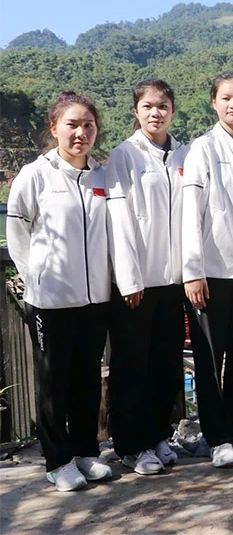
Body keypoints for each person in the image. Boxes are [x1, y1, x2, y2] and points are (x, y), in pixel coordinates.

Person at [7, 92, 114, 491]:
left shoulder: (101, 176)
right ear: (54, 129)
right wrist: (35, 279)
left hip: (94, 299)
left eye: (88, 125)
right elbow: (17, 233)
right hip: (50, 301)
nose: (81, 132)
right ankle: (57, 459)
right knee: (54, 382)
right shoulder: (36, 176)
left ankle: (87, 452)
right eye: (72, 125)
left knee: (87, 378)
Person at [181, 71, 233, 469]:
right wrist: (192, 271)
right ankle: (217, 437)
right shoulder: (201, 149)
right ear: (214, 103)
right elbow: (190, 216)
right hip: (212, 274)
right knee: (210, 360)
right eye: (227, 98)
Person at [105, 79, 189, 475]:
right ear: (136, 112)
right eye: (148, 106)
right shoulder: (125, 154)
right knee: (131, 366)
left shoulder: (182, 154)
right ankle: (130, 444)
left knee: (164, 363)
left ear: (173, 109)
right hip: (137, 283)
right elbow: (120, 219)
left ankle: (157, 434)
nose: (156, 112)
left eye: (163, 105)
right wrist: (128, 278)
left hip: (172, 280)